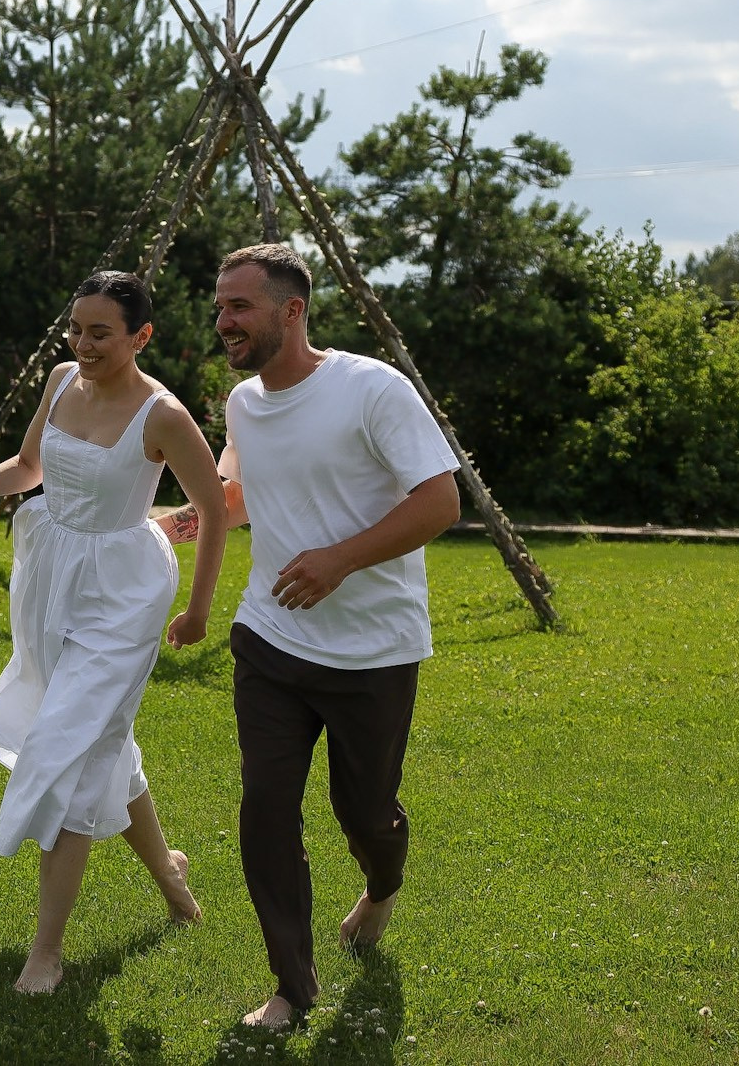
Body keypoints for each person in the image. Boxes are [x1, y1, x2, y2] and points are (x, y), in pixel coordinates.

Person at [156, 243, 461, 1030]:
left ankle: (383, 885)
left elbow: (440, 503)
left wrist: (341, 559)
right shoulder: (242, 404)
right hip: (269, 639)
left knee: (364, 814)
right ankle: (292, 987)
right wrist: (164, 526)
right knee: (265, 809)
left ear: (291, 310)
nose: (223, 320)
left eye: (239, 306)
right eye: (220, 305)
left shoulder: (371, 388)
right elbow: (238, 495)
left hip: (373, 650)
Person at [0, 270, 228, 994]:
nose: (83, 345)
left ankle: (46, 951)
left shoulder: (164, 415)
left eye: (101, 333)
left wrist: (200, 609)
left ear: (141, 336)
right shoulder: (60, 380)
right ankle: (171, 877)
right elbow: (30, 467)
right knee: (100, 741)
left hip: (123, 592)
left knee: (69, 752)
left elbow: (211, 507)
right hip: (51, 572)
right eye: (76, 329)